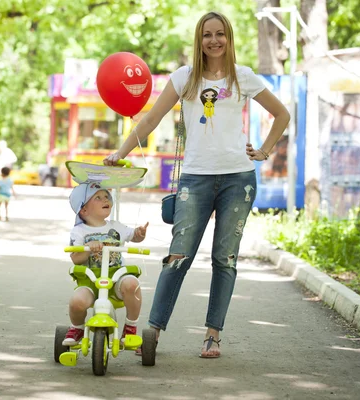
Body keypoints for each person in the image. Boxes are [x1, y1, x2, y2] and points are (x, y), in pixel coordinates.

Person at [104, 11, 290, 358]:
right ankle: (154, 331)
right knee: (178, 256)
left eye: (220, 34)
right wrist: (120, 152)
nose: (214, 40)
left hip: (238, 179)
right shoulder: (184, 78)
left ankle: (212, 334)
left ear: (229, 38)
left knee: (225, 259)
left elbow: (282, 114)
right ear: (199, 39)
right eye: (208, 35)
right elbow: (152, 118)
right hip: (195, 179)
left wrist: (263, 150)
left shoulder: (243, 78)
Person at [63, 182, 149, 348]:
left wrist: (139, 234)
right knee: (76, 301)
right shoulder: (79, 231)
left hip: (116, 278)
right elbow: (75, 258)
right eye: (98, 197)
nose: (105, 199)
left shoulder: (115, 226)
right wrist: (88, 249)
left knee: (132, 284)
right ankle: (77, 328)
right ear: (84, 209)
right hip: (90, 280)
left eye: (106, 197)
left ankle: (131, 326)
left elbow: (133, 237)